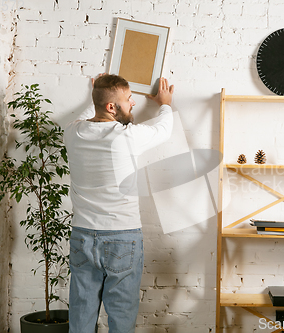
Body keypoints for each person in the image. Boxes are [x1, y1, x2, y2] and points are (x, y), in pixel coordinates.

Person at [64, 74, 174, 333]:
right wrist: (165, 103)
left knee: (81, 313)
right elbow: (164, 129)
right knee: (122, 317)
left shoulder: (73, 132)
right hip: (122, 237)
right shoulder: (127, 136)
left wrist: (98, 93)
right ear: (112, 107)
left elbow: (85, 116)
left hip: (82, 235)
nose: (133, 103)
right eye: (128, 99)